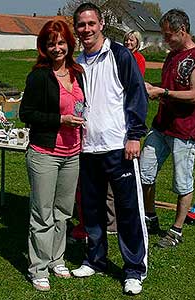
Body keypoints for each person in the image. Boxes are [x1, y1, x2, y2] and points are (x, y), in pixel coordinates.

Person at [71, 3, 148, 296]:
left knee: (128, 211)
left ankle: (134, 270)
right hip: (87, 148)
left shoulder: (120, 55)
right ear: (76, 28)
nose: (86, 29)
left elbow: (137, 95)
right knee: (91, 210)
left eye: (91, 23)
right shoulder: (77, 62)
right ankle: (95, 259)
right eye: (81, 25)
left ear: (101, 24)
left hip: (119, 146)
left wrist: (135, 135)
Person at [19, 19, 85, 292]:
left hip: (73, 153)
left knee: (63, 212)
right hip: (45, 153)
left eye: (61, 43)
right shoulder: (38, 76)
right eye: (51, 44)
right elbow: (26, 114)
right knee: (42, 214)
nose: (57, 48)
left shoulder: (78, 72)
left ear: (70, 43)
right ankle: (38, 267)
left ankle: (57, 259)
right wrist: (60, 120)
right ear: (44, 47)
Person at [140, 9, 195, 248]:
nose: (165, 40)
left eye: (169, 35)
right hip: (162, 125)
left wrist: (163, 92)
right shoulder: (171, 56)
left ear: (182, 31)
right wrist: (155, 87)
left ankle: (176, 231)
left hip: (185, 130)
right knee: (144, 172)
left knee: (182, 182)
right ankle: (150, 217)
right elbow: (170, 87)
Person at [106, 30, 148, 235]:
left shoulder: (133, 59)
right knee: (108, 185)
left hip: (124, 126)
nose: (128, 42)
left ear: (138, 43)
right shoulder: (116, 56)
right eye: (126, 39)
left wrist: (134, 134)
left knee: (123, 182)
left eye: (132, 39)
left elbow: (133, 90)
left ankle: (125, 222)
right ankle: (111, 221)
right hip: (110, 130)